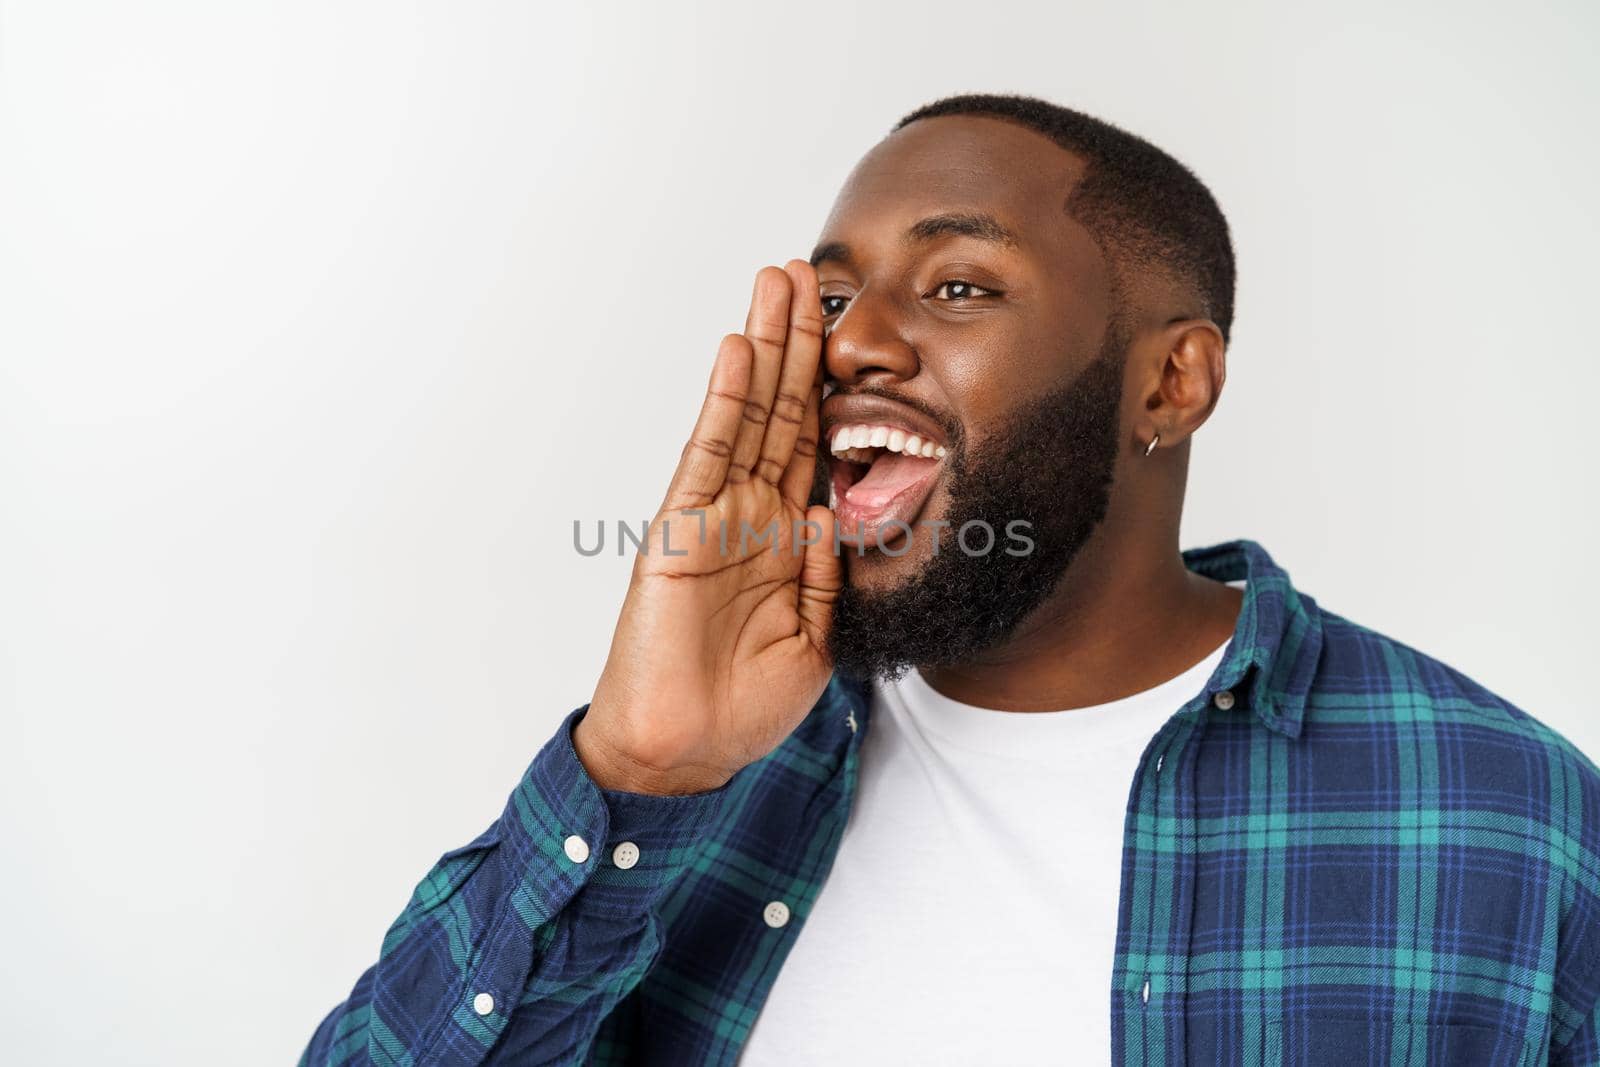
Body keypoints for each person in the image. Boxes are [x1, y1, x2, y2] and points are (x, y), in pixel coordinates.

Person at [300, 93, 1600, 1066]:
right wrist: (633, 771)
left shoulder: (1515, 824)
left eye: (959, 284)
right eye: (829, 297)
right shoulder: (697, 785)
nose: (847, 341)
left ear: (1171, 381)